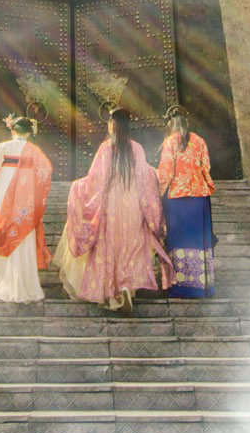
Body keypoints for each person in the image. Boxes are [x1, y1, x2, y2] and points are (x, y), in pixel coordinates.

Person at [54, 107, 169, 311]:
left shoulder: (106, 148)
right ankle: (127, 288)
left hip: (110, 205)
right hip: (132, 204)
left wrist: (77, 187)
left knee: (109, 248)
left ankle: (112, 294)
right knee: (129, 247)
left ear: (111, 125)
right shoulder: (137, 148)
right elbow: (146, 179)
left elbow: (95, 180)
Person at [0, 112, 53, 302]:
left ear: (13, 131)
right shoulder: (34, 151)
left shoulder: (4, 147)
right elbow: (46, 170)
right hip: (25, 197)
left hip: (3, 193)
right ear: (28, 133)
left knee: (4, 229)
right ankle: (24, 282)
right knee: (22, 232)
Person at [156, 104, 216, 298]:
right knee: (200, 242)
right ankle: (202, 286)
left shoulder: (171, 142)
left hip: (178, 199)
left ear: (171, 124)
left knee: (180, 242)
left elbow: (166, 172)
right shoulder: (199, 141)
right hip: (200, 198)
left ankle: (182, 286)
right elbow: (205, 166)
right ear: (187, 123)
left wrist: (157, 191)